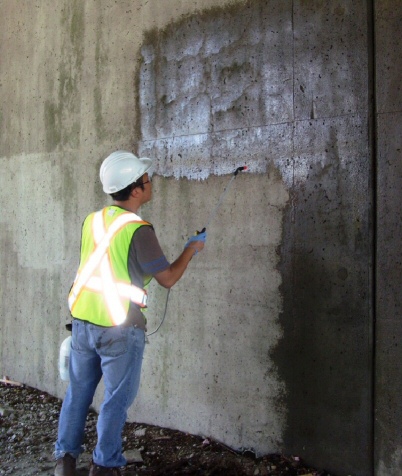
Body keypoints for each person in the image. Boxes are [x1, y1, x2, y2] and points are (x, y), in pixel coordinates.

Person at [54, 151, 206, 476]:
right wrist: (190, 250)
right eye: (147, 181)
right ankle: (104, 465)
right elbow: (167, 279)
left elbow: (111, 266)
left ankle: (64, 461)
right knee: (115, 401)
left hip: (83, 322)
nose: (151, 184)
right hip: (119, 328)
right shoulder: (139, 230)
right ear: (135, 190)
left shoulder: (92, 221)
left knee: (78, 393)